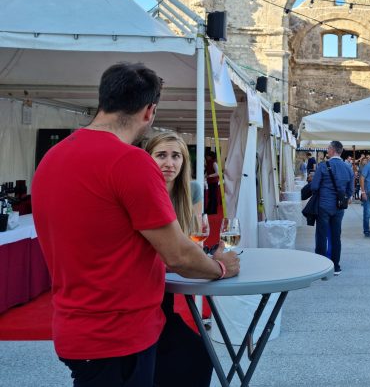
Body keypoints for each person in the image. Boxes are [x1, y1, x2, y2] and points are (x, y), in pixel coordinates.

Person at [32, 62, 239, 387]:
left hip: (76, 325)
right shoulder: (130, 161)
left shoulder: (52, 157)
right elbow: (178, 255)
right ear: (149, 111)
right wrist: (220, 267)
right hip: (119, 333)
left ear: (103, 100)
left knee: (191, 357)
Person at [145, 132, 211, 386]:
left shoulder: (191, 190)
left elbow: (192, 236)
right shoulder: (142, 191)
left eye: (176, 156)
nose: (169, 163)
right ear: (148, 157)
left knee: (196, 354)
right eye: (161, 155)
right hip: (146, 284)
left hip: (169, 280)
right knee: (185, 353)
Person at [310, 141, 354, 275]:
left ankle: (321, 265)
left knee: (322, 235)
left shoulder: (323, 166)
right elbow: (350, 190)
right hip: (339, 207)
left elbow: (314, 187)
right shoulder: (348, 168)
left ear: (332, 150)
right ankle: (336, 266)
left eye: (328, 148)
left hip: (324, 205)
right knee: (336, 236)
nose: (327, 150)